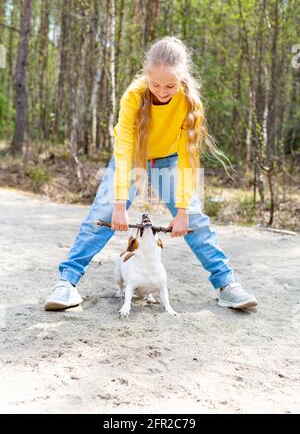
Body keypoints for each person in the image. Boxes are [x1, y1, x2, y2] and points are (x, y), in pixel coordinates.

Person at [44, 36, 257, 311]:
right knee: (102, 213)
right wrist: (120, 204)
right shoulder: (134, 95)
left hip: (169, 159)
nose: (162, 91)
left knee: (195, 219)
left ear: (182, 79)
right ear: (147, 76)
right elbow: (122, 150)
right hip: (133, 158)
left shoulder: (190, 104)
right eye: (155, 84)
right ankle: (67, 283)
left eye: (170, 85)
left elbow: (188, 158)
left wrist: (181, 212)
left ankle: (226, 284)